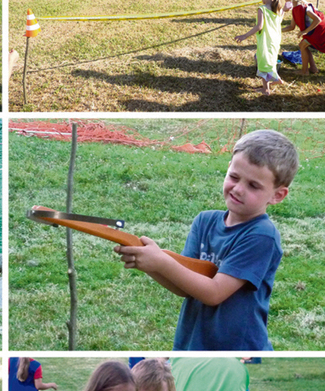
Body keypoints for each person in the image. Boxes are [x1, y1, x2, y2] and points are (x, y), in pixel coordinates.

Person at [116, 129, 299, 350]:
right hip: (193, 343)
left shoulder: (261, 235)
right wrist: (149, 264)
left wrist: (161, 262)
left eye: (253, 185)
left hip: (235, 348)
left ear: (277, 195)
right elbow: (185, 286)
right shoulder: (204, 221)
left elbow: (214, 293)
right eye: (233, 176)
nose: (238, 189)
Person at [234, 0, 285, 95]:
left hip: (266, 41)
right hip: (275, 40)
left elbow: (259, 26)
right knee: (269, 60)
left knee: (263, 62)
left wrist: (244, 36)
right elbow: (279, 21)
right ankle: (277, 79)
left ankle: (266, 89)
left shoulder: (262, 9)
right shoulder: (279, 9)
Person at [282, 0, 325, 75]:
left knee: (302, 45)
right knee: (303, 45)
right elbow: (291, 26)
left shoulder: (304, 8)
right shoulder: (295, 9)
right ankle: (313, 68)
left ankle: (304, 71)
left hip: (320, 31)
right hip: (313, 31)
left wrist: (305, 31)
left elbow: (318, 20)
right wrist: (277, 30)